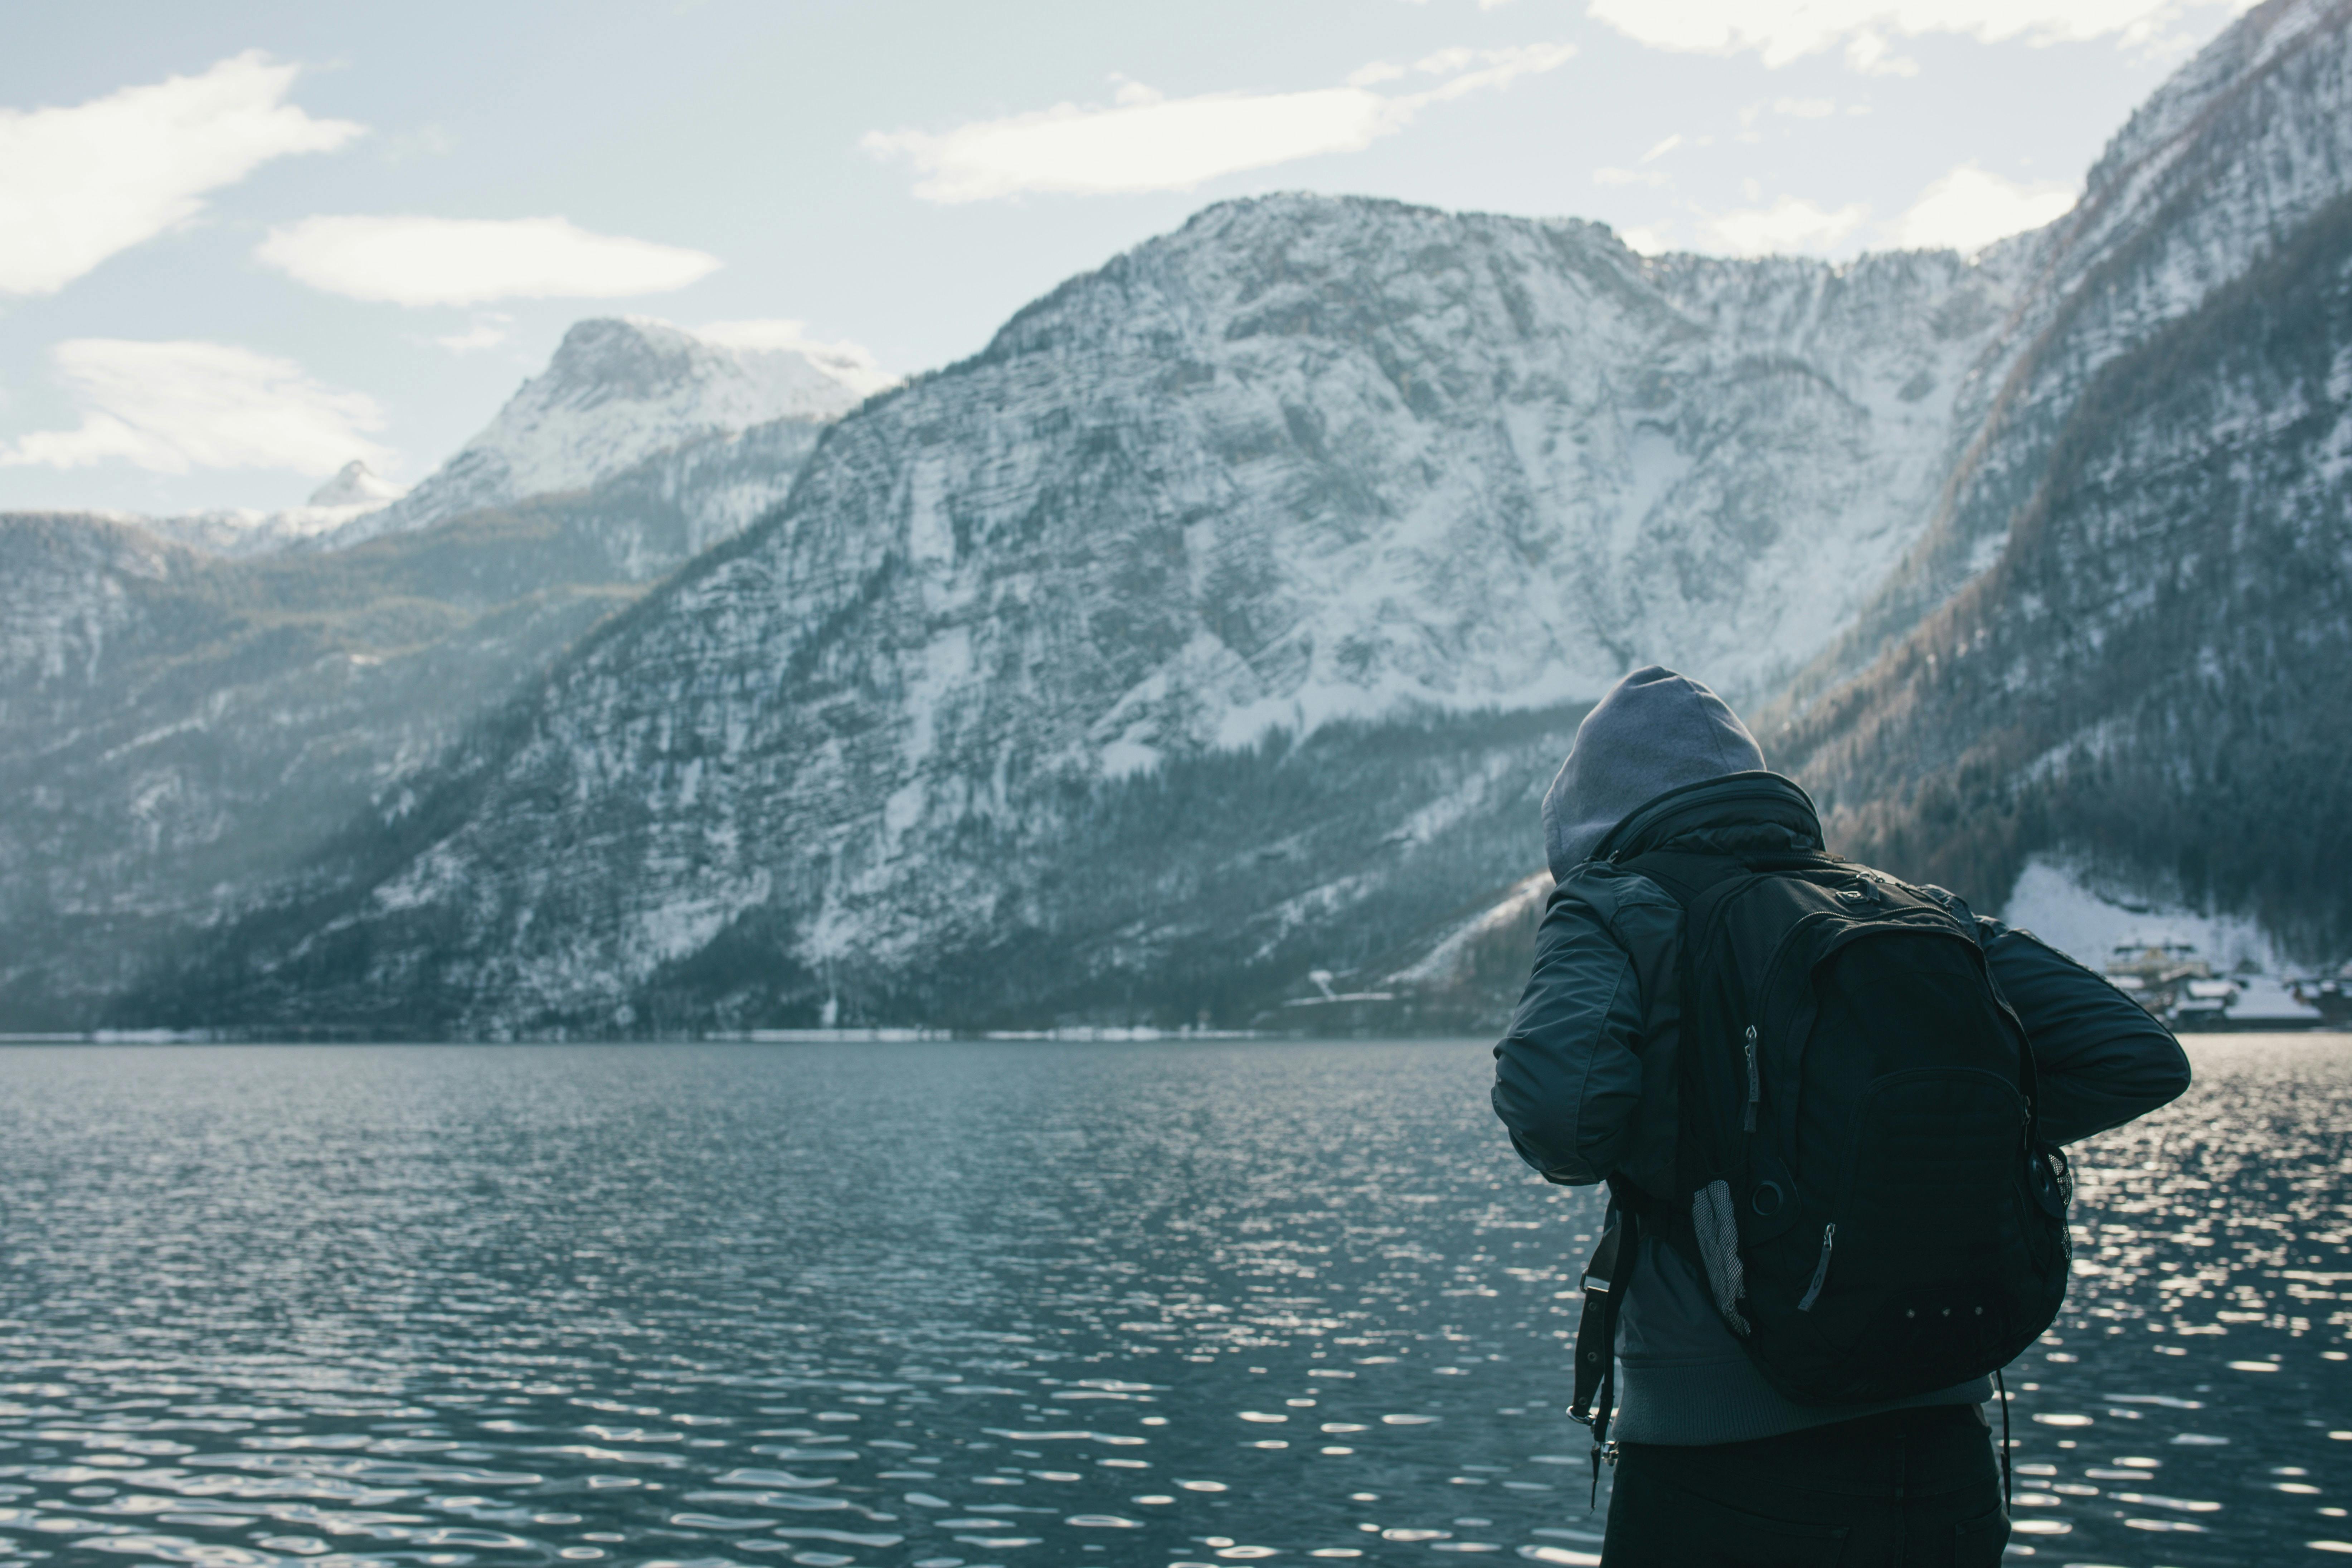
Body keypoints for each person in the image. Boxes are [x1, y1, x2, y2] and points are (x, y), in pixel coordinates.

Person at [1491, 666, 2191, 1567]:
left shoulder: (1617, 902)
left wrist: (1693, 1128)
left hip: (1725, 1480)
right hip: (1949, 1468)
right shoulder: (1909, 910)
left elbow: (1558, 1118)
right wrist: (1940, 1137)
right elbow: (2137, 1056)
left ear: (1587, 824)